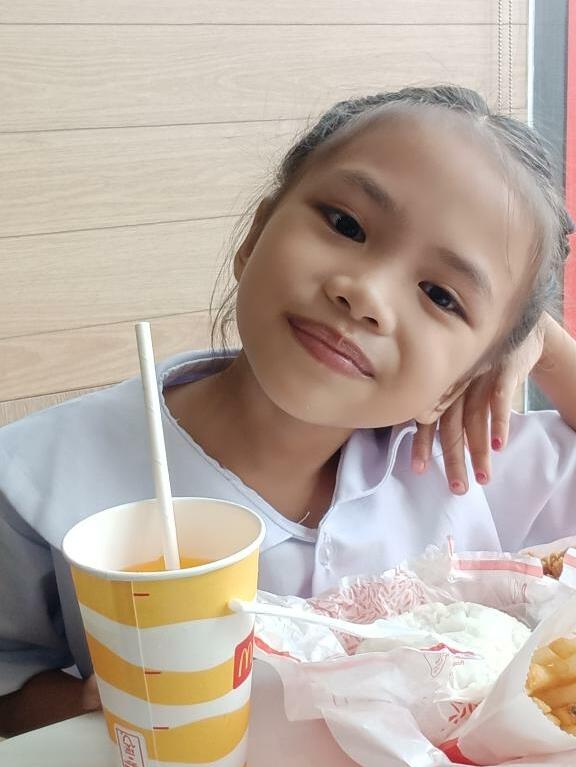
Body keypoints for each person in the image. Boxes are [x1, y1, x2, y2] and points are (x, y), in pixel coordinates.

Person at [0, 85, 575, 737]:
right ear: (255, 234)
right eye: (346, 225)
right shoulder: (39, 476)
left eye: (441, 295)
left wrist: (545, 346)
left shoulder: (466, 466)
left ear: (466, 377)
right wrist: (83, 710)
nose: (366, 294)